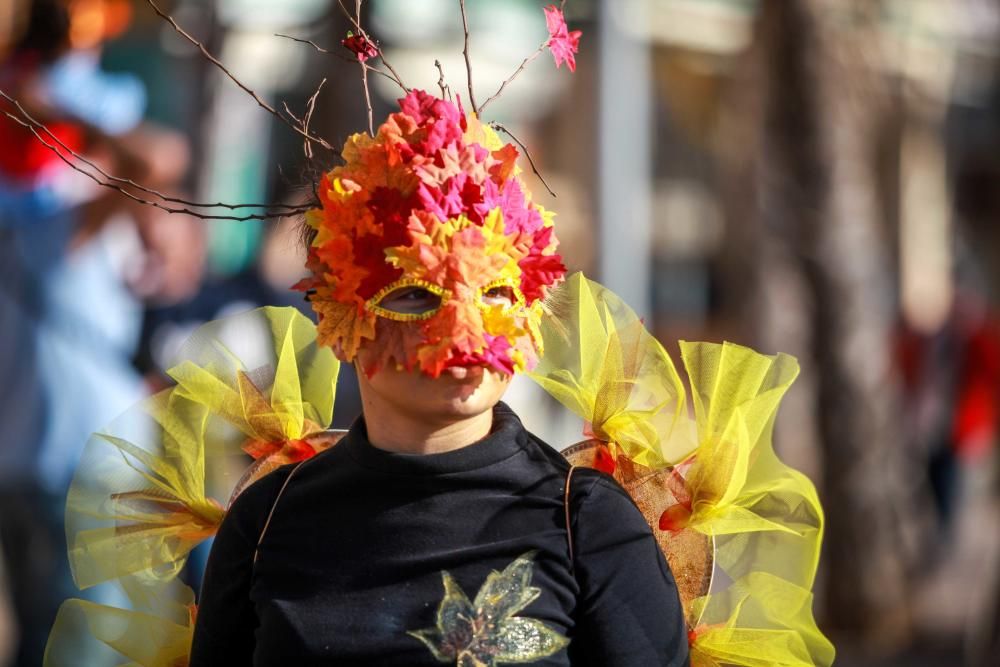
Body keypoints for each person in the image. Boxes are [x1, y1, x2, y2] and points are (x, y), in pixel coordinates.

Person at [188, 90, 690, 666]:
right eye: (413, 294)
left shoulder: (587, 524)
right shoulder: (266, 522)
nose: (464, 329)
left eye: (495, 293)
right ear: (340, 311)